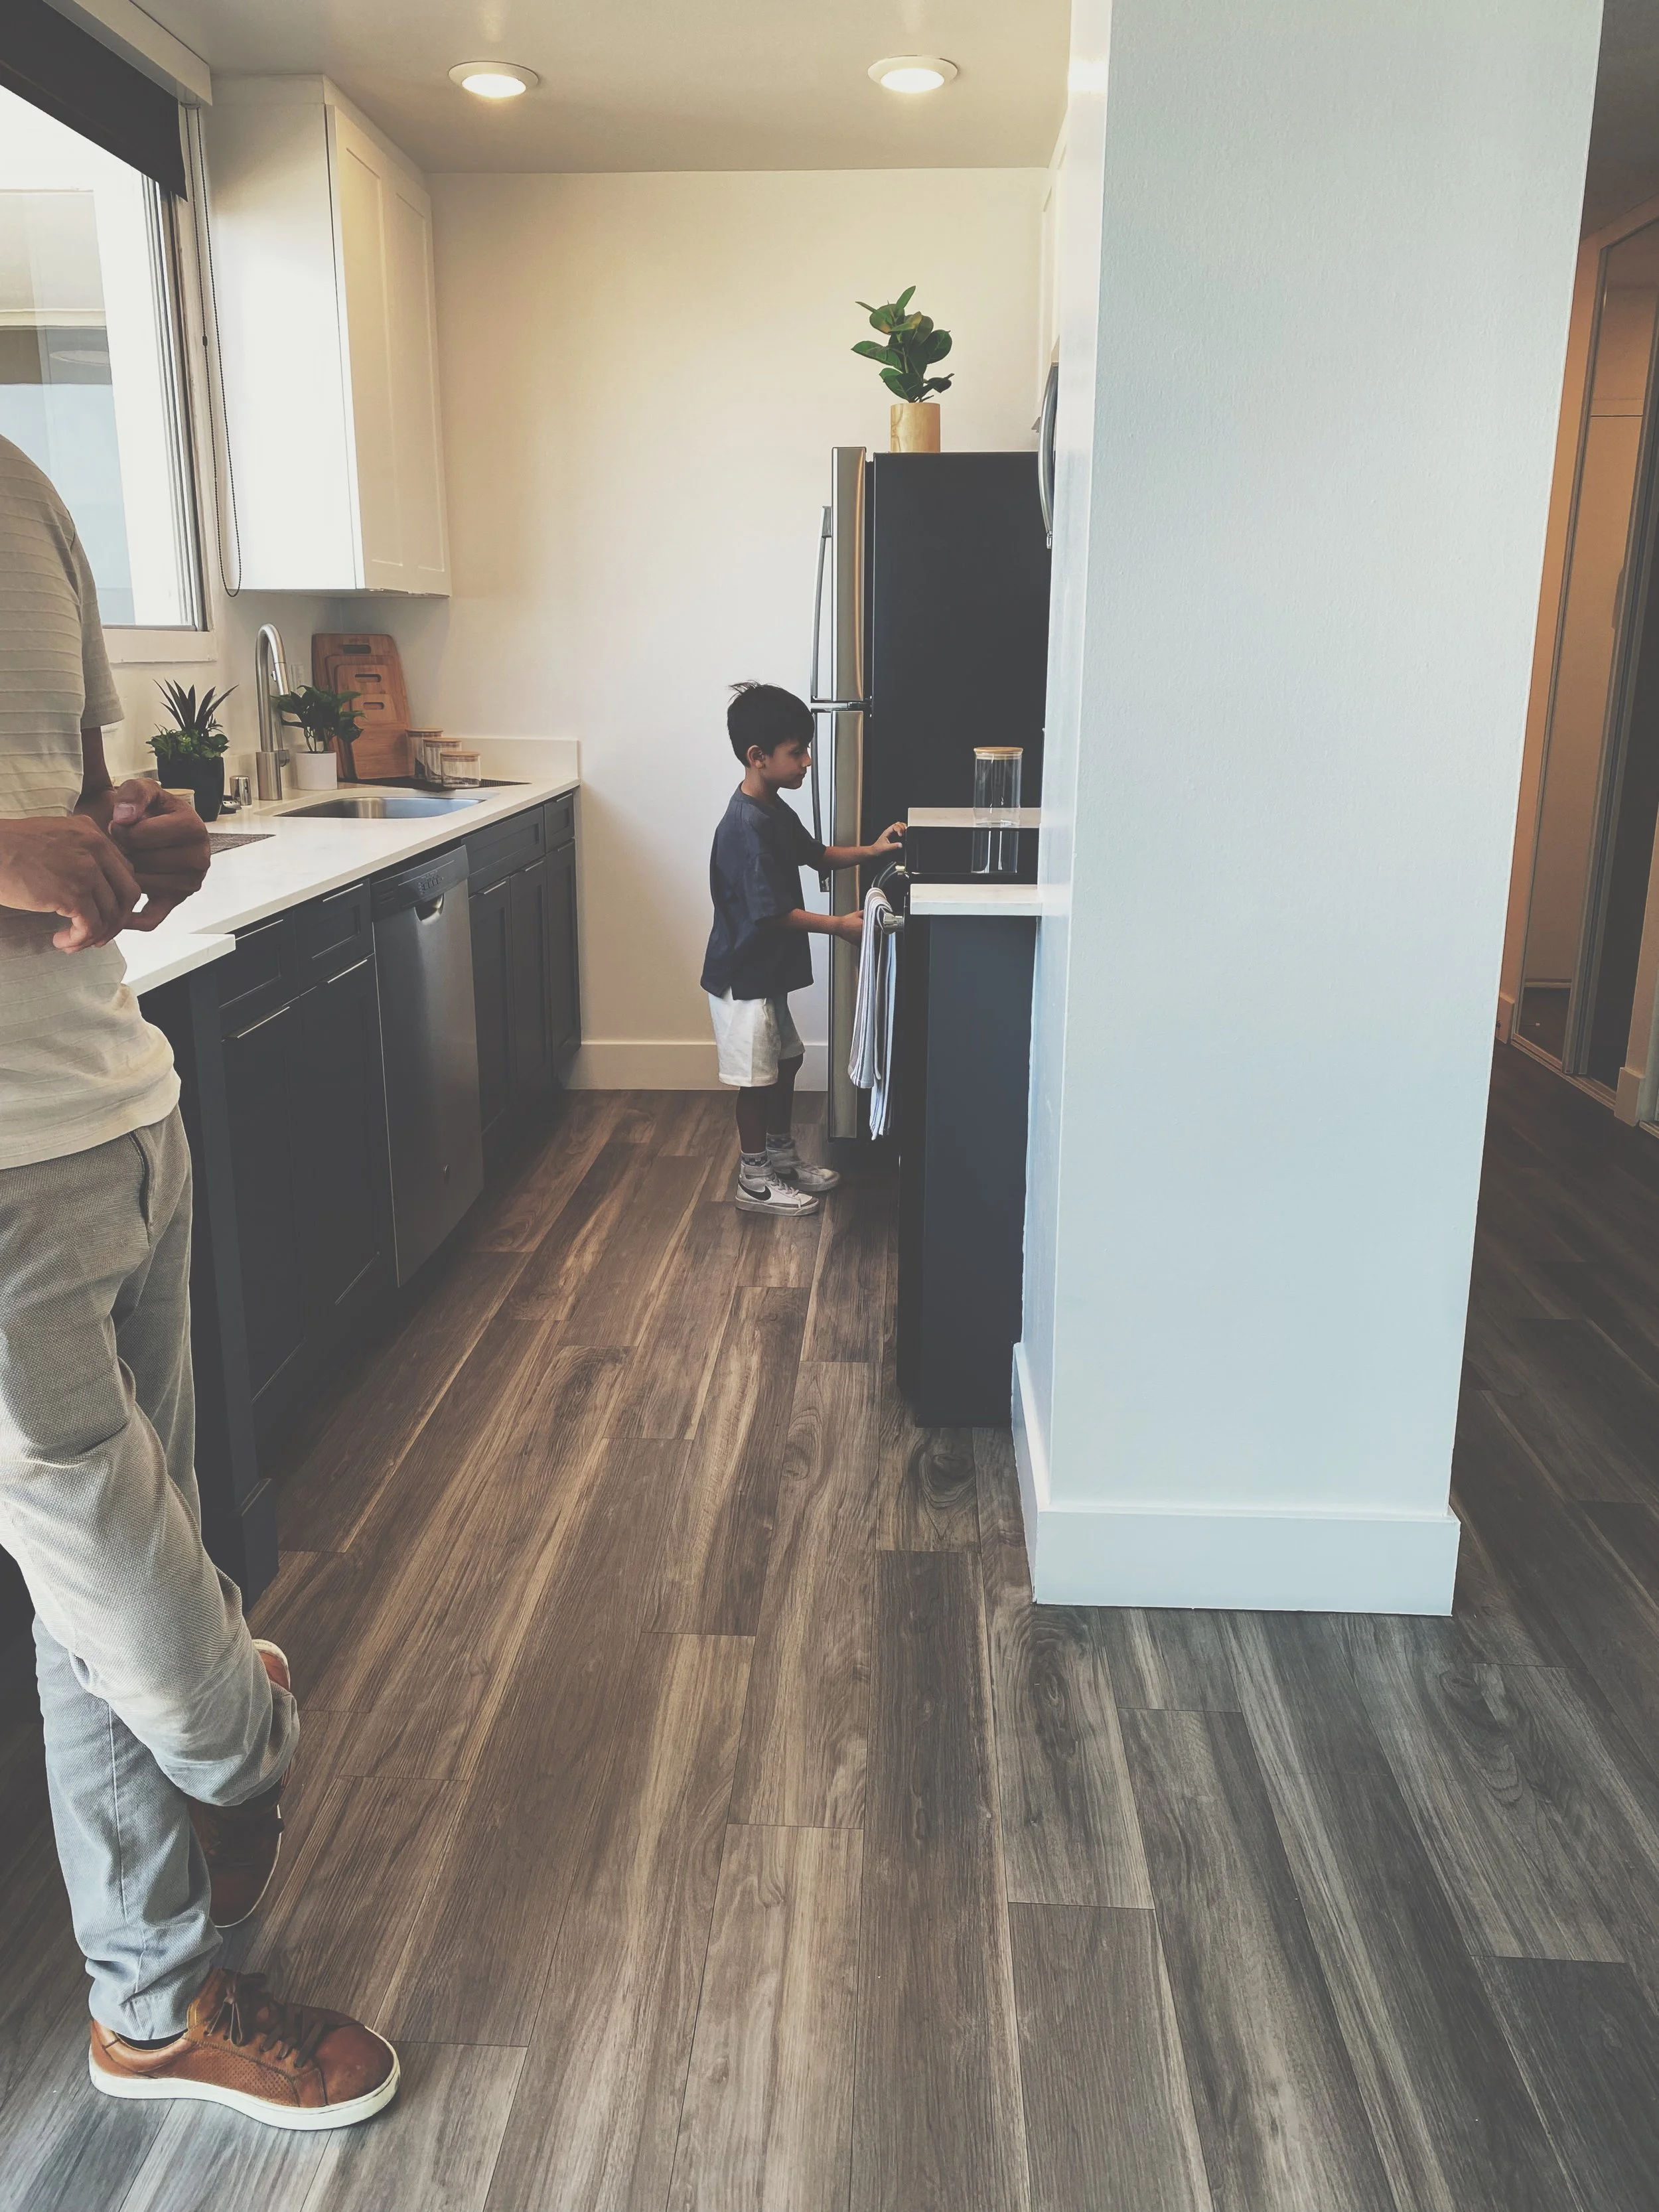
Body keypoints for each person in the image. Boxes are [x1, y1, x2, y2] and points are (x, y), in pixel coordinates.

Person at [0, 434, 399, 2129]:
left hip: (121, 1108)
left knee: (89, 1613)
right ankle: (244, 1739)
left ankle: (153, 2007)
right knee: (135, 1599)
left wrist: (138, 841)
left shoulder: (22, 489)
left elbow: (75, 795)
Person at [701, 682, 902, 1213]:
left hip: (765, 973)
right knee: (755, 1081)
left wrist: (873, 850)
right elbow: (770, 913)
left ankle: (780, 1156)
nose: (808, 761)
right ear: (758, 756)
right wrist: (839, 925)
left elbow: (816, 854)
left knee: (786, 1062)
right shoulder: (744, 828)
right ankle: (754, 1179)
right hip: (743, 979)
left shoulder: (772, 808)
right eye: (798, 752)